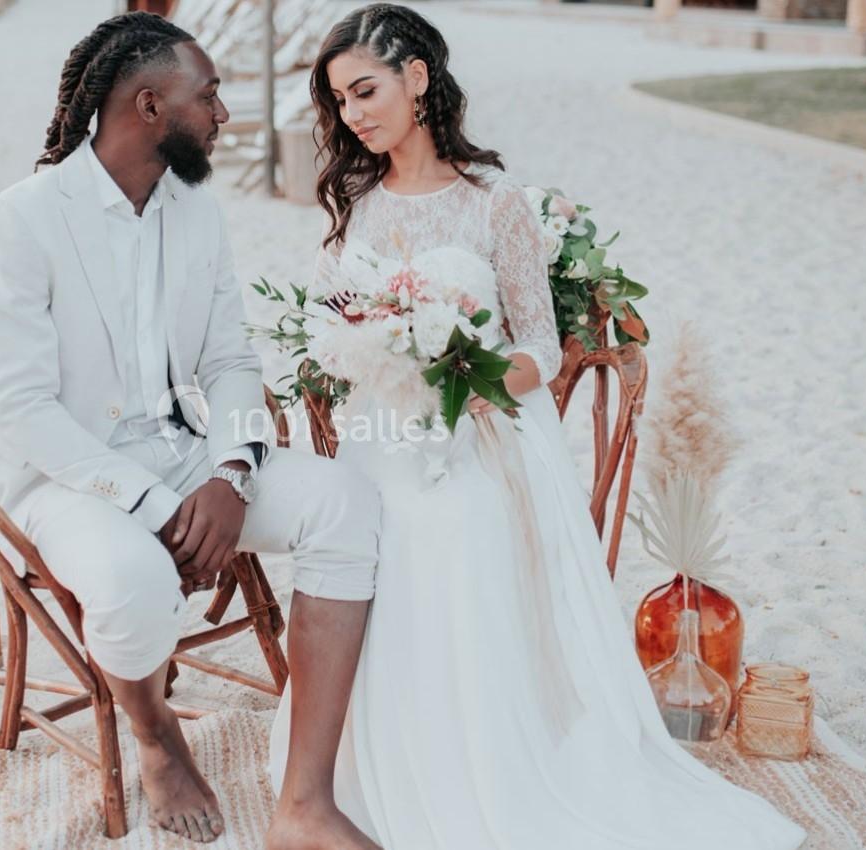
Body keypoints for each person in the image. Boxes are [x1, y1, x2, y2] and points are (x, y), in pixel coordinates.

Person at [268, 5, 808, 848]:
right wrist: (369, 355)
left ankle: (483, 763)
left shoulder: (496, 205)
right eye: (339, 101)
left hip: (479, 432)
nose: (353, 116)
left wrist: (468, 376)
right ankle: (351, 776)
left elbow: (538, 347)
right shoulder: (358, 207)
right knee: (361, 528)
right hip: (383, 439)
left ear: (418, 77)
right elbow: (332, 334)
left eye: (365, 90)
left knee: (457, 523)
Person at [0, 14, 381, 847]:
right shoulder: (22, 220)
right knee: (131, 581)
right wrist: (159, 507)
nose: (223, 113)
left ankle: (306, 794)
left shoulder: (195, 208)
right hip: (60, 473)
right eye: (211, 95)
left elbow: (230, 357)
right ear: (150, 105)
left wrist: (231, 475)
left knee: (345, 502)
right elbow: (23, 409)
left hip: (186, 445)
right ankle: (155, 731)